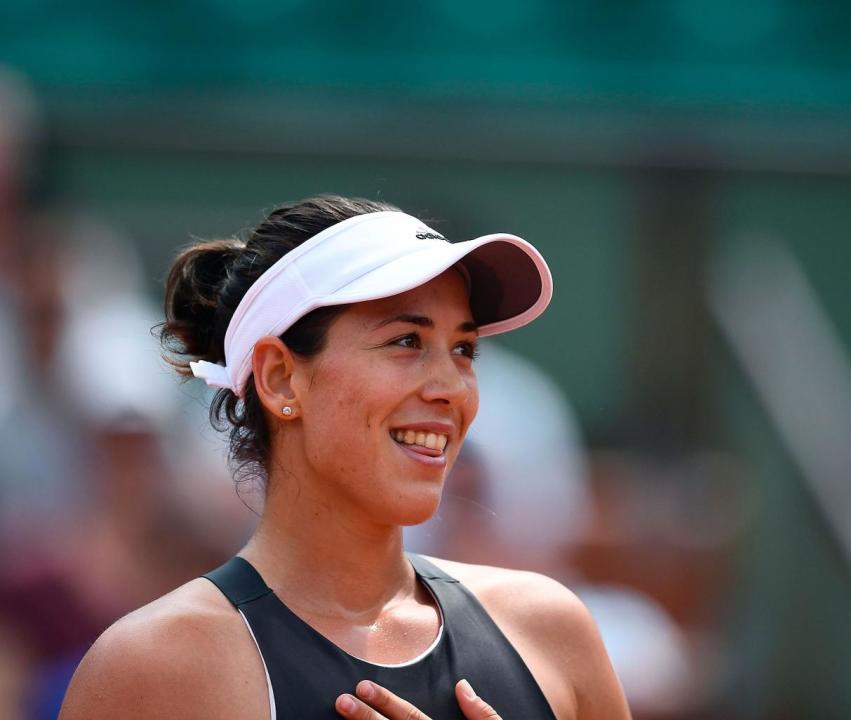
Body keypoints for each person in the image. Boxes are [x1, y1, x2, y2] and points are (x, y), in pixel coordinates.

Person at [58, 195, 630, 719]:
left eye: (463, 349)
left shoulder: (550, 629)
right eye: (406, 341)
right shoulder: (156, 668)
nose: (452, 388)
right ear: (281, 379)